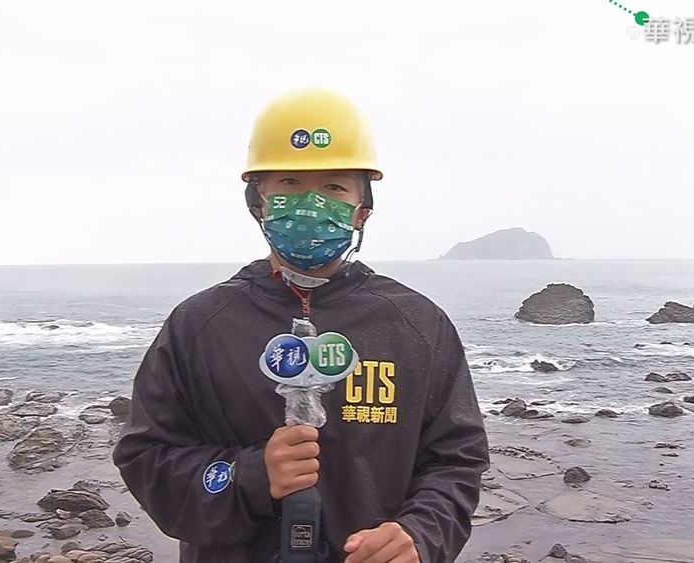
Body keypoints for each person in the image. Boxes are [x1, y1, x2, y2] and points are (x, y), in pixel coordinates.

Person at [113, 88, 490, 563]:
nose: (310, 204)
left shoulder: (416, 324)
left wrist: (420, 534)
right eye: (289, 183)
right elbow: (146, 456)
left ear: (362, 208)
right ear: (259, 203)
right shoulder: (199, 325)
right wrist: (251, 474)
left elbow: (457, 459)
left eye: (334, 187)